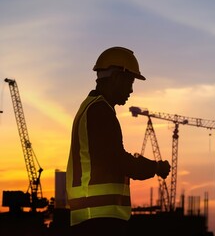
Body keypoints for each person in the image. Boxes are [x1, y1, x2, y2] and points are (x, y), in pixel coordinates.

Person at [66, 46, 170, 236]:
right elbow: (118, 161)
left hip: (93, 218)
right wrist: (156, 168)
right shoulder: (100, 112)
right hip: (99, 221)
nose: (131, 90)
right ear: (116, 78)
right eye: (130, 82)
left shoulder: (93, 108)